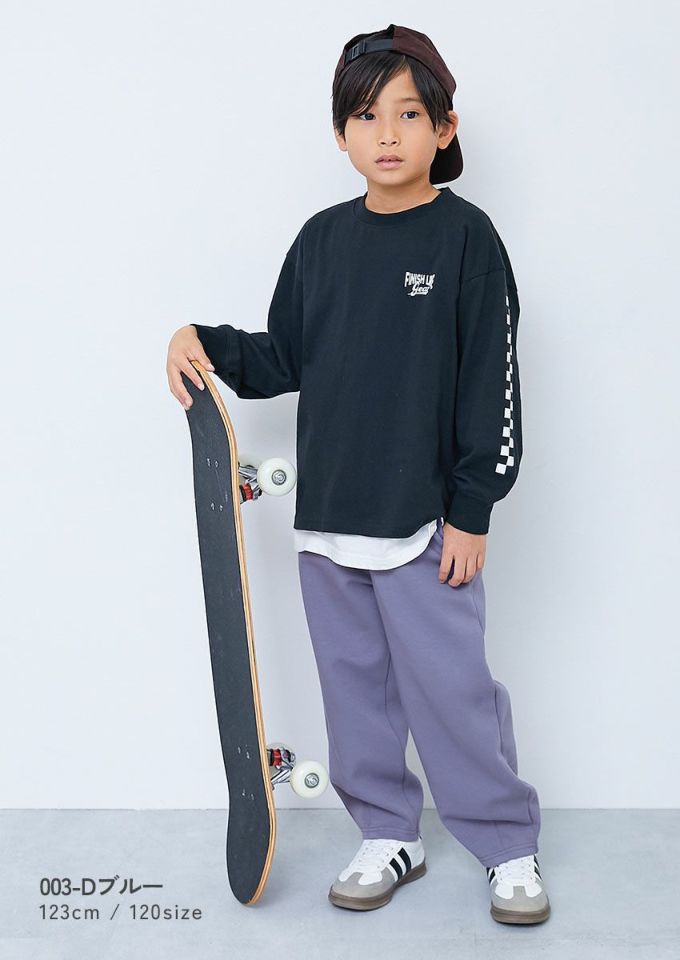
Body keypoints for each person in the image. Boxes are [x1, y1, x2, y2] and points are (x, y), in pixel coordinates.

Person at [166, 23, 550, 925]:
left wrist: (473, 508)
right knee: (356, 697)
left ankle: (506, 843)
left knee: (453, 695)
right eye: (367, 116)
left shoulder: (467, 240)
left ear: (445, 129)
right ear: (340, 134)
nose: (387, 133)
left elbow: (492, 383)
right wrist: (204, 342)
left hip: (425, 526)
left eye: (409, 114)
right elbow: (282, 356)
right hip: (330, 523)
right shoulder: (322, 241)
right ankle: (387, 833)